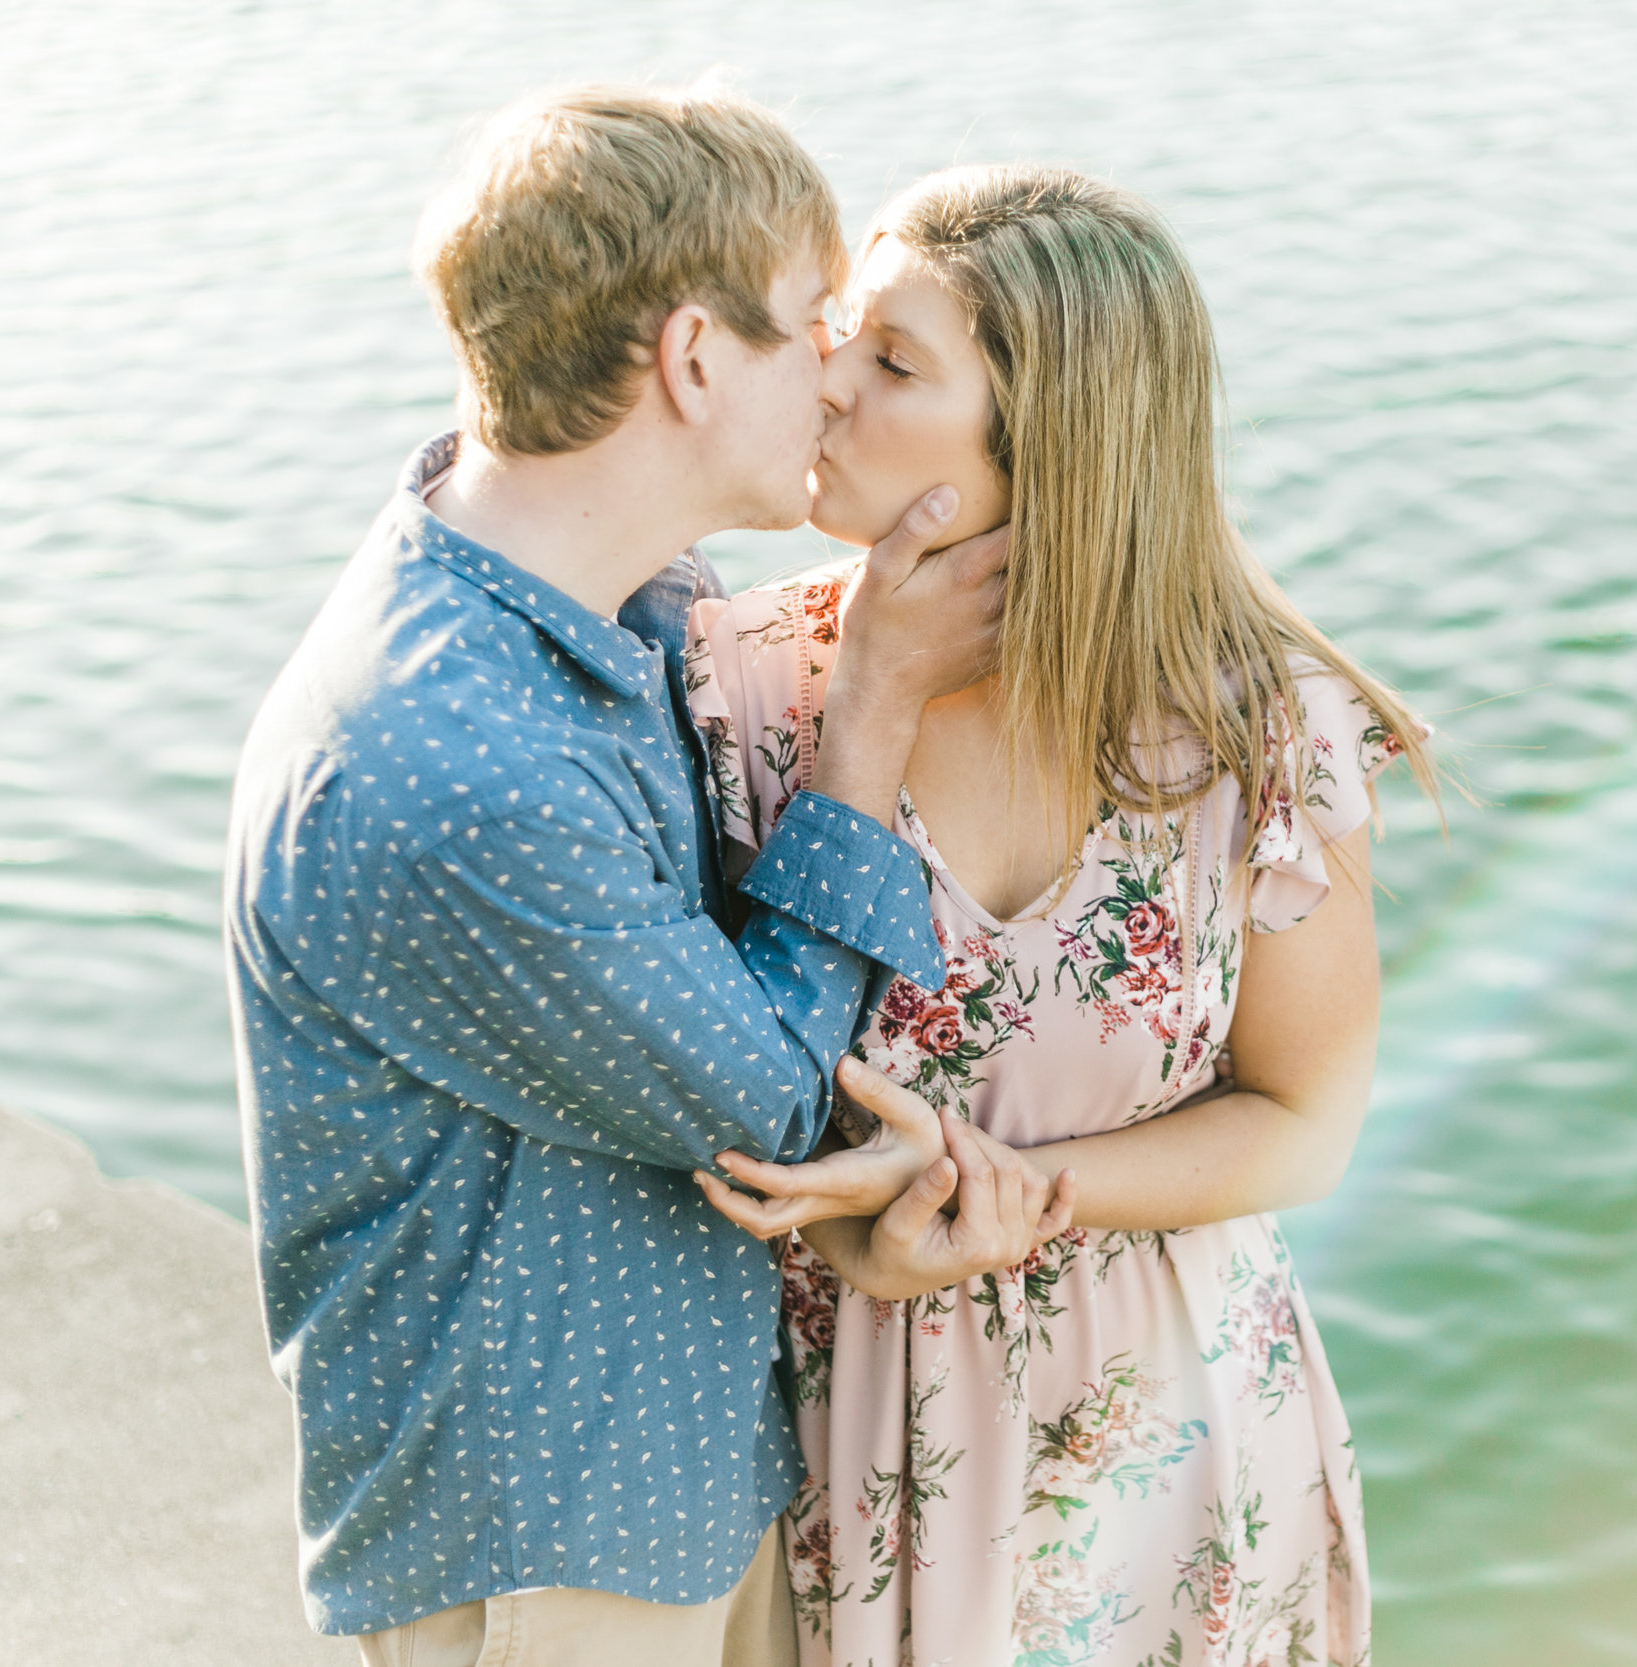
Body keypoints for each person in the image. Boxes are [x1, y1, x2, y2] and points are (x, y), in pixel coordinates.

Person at [223, 86, 1068, 1666]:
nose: (838, 372)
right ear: (692, 358)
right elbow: (763, 1097)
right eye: (816, 324)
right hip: (546, 1537)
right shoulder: (451, 766)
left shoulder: (619, 600)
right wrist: (874, 704)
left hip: (658, 1480)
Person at [689, 165, 1436, 1667]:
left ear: (1055, 443)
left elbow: (1305, 1122)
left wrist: (1020, 1194)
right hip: (862, 1441)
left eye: (894, 363)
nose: (824, 378)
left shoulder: (1259, 732)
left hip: (1179, 1445)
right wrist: (868, 1245)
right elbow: (704, 1102)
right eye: (842, 335)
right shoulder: (736, 693)